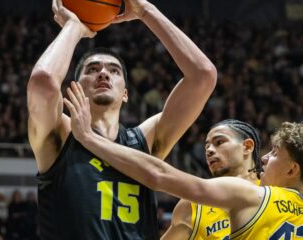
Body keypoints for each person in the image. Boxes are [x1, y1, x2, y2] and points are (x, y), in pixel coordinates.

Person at [63, 84, 303, 239]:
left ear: (292, 168)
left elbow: (159, 174)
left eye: (272, 155)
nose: (265, 158)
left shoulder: (252, 195)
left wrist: (90, 139)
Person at [27, 0, 217, 238]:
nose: (103, 73)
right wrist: (74, 27)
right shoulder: (60, 134)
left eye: (114, 70)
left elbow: (203, 76)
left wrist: (146, 11)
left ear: (126, 93)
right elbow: (42, 82)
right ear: (76, 86)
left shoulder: (143, 140)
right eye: (92, 69)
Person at [161, 120, 303, 240]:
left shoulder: (269, 193)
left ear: (247, 147)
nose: (210, 150)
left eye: (219, 142)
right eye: (207, 146)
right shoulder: (193, 204)